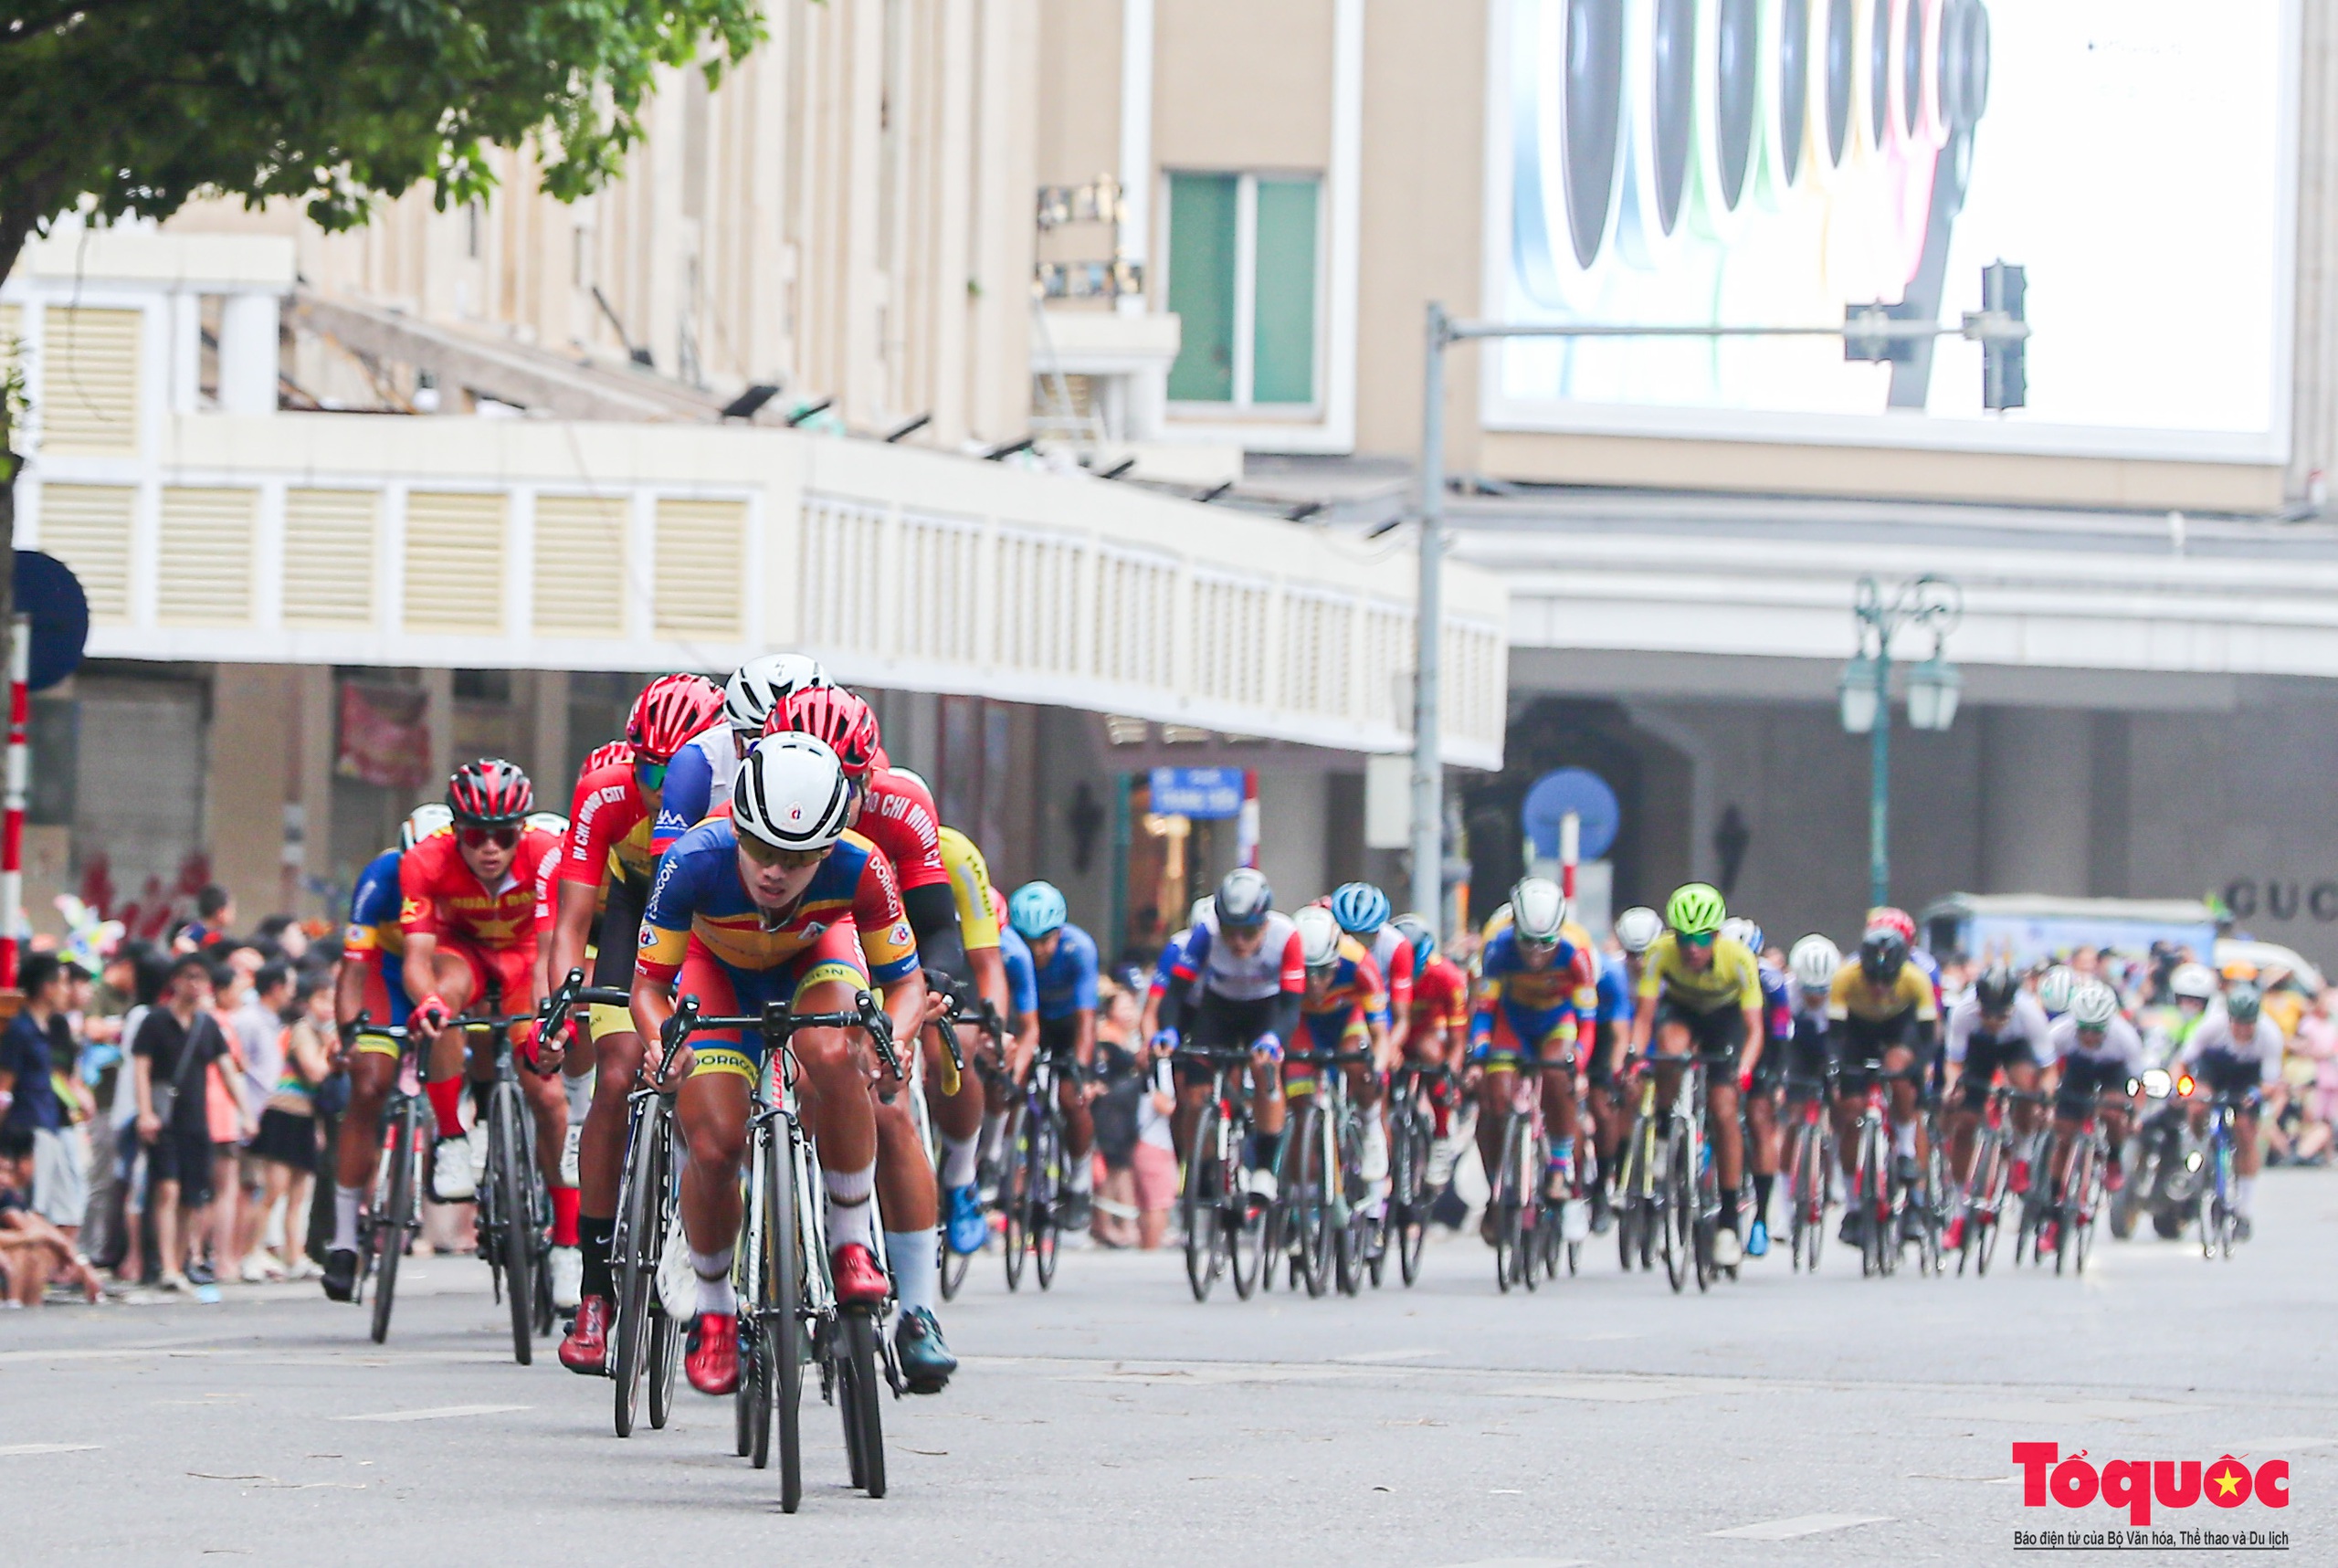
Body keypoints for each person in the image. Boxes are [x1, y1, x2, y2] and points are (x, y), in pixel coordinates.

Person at [631, 735, 953, 1397]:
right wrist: (660, 1040)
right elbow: (647, 987)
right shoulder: (693, 859)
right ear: (738, 826)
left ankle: (848, 1241)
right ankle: (716, 1308)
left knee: (835, 1052)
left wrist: (888, 1036)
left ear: (829, 846)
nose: (776, 871)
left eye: (799, 857)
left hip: (812, 958)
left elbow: (908, 981)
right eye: (762, 849)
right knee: (716, 1145)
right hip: (714, 972)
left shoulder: (860, 866)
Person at [545, 673, 726, 1373]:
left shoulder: (729, 786)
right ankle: (595, 1290)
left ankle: (697, 1232)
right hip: (636, 906)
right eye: (647, 765)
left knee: (702, 1072)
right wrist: (567, 989)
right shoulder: (606, 793)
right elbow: (571, 916)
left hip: (713, 920)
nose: (659, 783)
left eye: (673, 766)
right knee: (619, 1072)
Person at [396, 760, 567, 1250]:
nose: (490, 849)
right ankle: (451, 1137)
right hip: (463, 953)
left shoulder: (546, 852)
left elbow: (548, 955)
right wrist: (428, 1002)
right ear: (455, 831)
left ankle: (568, 1243)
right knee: (441, 1001)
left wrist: (547, 1020)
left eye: (503, 836)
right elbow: (416, 959)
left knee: (549, 1096)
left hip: (526, 957)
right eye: (475, 837)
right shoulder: (425, 861)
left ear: (523, 830)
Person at [321, 802, 448, 1301]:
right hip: (386, 976)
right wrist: (350, 1033)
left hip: (445, 970)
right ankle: (345, 1241)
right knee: (369, 1086)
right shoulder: (380, 877)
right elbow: (353, 969)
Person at [1629, 883, 1764, 1268]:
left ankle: (1727, 1221)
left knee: (1724, 1109)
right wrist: (1636, 1057)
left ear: (1716, 936)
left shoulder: (1738, 959)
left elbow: (1754, 1029)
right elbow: (1643, 1017)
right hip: (1682, 1011)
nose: (1691, 948)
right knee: (1669, 1050)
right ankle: (1666, 1129)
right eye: (1685, 938)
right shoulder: (1659, 954)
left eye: (1701, 939)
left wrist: (1745, 1069)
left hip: (1725, 1021)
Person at [1155, 869, 1303, 1194]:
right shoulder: (1206, 933)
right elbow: (1176, 994)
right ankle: (1202, 1166)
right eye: (1230, 931)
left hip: (1267, 1009)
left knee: (1266, 1068)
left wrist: (1274, 1038)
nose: (1237, 942)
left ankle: (1265, 1165)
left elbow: (1292, 1007)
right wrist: (1168, 1030)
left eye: (1248, 932)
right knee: (1194, 1095)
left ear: (1264, 922)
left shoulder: (1286, 936)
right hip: (1219, 1009)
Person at [1469, 879, 1596, 1240]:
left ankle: (1559, 1168)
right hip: (1514, 1020)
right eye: (1528, 942)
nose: (1536, 954)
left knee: (1558, 1076)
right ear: (1515, 929)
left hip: (1557, 1020)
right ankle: (1499, 1184)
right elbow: (1485, 1008)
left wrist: (1580, 1062)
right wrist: (1479, 1054)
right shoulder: (1497, 945)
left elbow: (1587, 1022)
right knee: (1495, 1096)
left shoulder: (1578, 950)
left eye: (1546, 944)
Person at [1825, 923, 1939, 1248]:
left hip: (1899, 1028)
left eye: (1886, 980)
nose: (1878, 987)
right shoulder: (1846, 978)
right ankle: (1853, 1206)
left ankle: (1904, 1151)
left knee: (1899, 1071)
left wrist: (1917, 1069)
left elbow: (1929, 1038)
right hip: (1858, 1032)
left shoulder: (1916, 980)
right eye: (1872, 979)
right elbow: (1835, 1035)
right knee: (1850, 1114)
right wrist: (1836, 1069)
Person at [132, 954, 232, 1290]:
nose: (196, 984)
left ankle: (177, 1262)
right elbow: (141, 1069)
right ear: (175, 980)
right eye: (189, 976)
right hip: (164, 1118)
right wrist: (145, 1112)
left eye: (202, 978)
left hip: (196, 1120)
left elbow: (227, 1069)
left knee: (191, 1196)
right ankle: (166, 1266)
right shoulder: (155, 1021)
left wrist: (245, 1111)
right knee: (166, 1188)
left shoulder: (207, 1026)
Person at [1939, 963, 2053, 1252]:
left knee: (2026, 1086)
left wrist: (2045, 1097)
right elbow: (1954, 1062)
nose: (1993, 1021)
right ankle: (1958, 1210)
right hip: (1979, 1051)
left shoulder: (2029, 1014)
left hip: (2016, 1048)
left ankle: (2023, 1156)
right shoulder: (1964, 1013)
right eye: (1986, 1014)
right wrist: (1952, 1086)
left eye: (2001, 1015)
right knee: (1964, 1122)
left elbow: (2048, 1069)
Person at [1007, 880, 1101, 1230]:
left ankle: (1079, 1182)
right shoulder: (1011, 952)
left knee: (1071, 1099)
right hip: (1027, 1023)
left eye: (1045, 940)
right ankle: (1006, 1168)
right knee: (1010, 1087)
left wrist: (1080, 1068)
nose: (1037, 951)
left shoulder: (1080, 949)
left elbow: (1086, 1019)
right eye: (1028, 941)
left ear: (1060, 932)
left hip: (1067, 1027)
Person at [2179, 980, 2282, 1241]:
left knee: (2246, 1132)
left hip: (2247, 1079)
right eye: (2238, 1022)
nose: (2243, 1029)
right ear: (2229, 1018)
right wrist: (2185, 1090)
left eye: (2248, 1024)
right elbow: (2184, 1061)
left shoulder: (2270, 1035)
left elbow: (2271, 1083)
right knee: (2198, 1104)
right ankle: (2196, 1146)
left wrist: (2256, 1094)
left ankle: (2244, 1210)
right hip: (2214, 1068)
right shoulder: (2212, 1026)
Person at [247, 973, 333, 1281]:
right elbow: (315, 1071)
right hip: (283, 1112)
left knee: (299, 1194)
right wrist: (331, 1054)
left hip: (307, 1116)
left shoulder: (325, 1033)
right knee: (273, 1190)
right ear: (308, 1002)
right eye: (321, 999)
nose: (327, 1007)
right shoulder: (303, 1030)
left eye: (332, 999)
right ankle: (251, 1251)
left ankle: (295, 1255)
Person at [0, 953, 86, 1251]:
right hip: (28, 1123)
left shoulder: (49, 1029)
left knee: (58, 1204)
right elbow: (5, 1085)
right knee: (34, 1204)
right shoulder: (20, 1030)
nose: (67, 990)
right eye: (62, 983)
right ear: (47, 988)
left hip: (49, 1119)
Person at [230, 962, 293, 1280]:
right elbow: (234, 1066)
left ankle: (251, 1251)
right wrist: (242, 1112)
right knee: (249, 1188)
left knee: (259, 1187)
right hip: (248, 1115)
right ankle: (238, 1254)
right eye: (289, 985)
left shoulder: (272, 1023)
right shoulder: (249, 1021)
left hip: (266, 1113)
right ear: (276, 987)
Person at [0, 1130, 103, 1305]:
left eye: (7, 1171)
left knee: (36, 1251)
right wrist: (26, 1237)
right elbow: (30, 1233)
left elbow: (35, 1226)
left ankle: (28, 1310)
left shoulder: (6, 1195)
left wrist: (80, 1262)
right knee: (20, 1249)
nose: (4, 1179)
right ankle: (12, 1305)